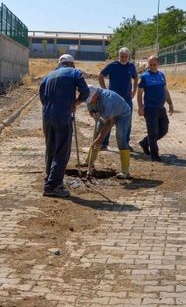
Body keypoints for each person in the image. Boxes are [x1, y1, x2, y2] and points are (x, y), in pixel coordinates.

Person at [39, 54, 89, 198]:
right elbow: (85, 92)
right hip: (63, 116)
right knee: (62, 151)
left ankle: (51, 177)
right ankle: (51, 186)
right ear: (72, 64)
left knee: (51, 148)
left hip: (47, 116)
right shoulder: (75, 73)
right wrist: (76, 103)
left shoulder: (48, 75)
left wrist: (50, 108)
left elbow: (42, 96)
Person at [86, 85, 133, 179]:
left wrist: (100, 139)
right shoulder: (89, 97)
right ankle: (88, 162)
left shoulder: (107, 100)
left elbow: (109, 123)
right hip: (108, 115)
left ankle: (125, 171)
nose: (90, 101)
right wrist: (93, 114)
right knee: (96, 135)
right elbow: (91, 109)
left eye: (92, 99)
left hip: (122, 114)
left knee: (120, 138)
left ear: (96, 95)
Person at [98, 47, 138, 151]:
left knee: (127, 123)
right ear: (119, 56)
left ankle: (125, 144)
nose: (124, 58)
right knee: (108, 120)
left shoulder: (131, 66)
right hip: (113, 101)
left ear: (128, 57)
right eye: (122, 56)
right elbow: (101, 75)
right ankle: (104, 143)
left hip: (127, 100)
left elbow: (136, 78)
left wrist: (134, 91)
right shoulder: (113, 66)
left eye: (126, 57)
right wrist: (105, 90)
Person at [137, 56, 174, 161]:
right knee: (153, 132)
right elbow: (139, 94)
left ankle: (145, 142)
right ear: (148, 65)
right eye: (150, 65)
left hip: (161, 108)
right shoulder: (144, 77)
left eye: (154, 64)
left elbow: (165, 91)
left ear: (158, 64)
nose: (152, 66)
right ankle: (155, 155)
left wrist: (170, 104)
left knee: (164, 129)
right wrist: (140, 108)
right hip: (150, 109)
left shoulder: (161, 75)